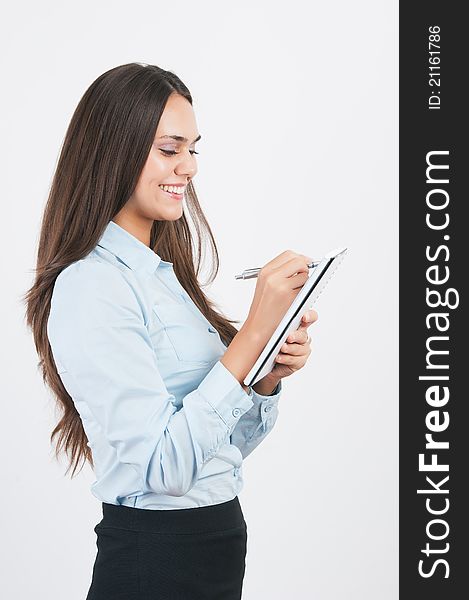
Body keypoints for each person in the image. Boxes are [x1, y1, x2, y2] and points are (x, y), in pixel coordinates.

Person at [23, 62, 318, 600]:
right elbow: (164, 470)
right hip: (155, 566)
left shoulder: (165, 278)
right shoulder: (92, 286)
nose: (188, 167)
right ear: (115, 149)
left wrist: (265, 376)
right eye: (169, 149)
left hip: (215, 549)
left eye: (193, 149)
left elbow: (220, 449)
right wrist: (252, 332)